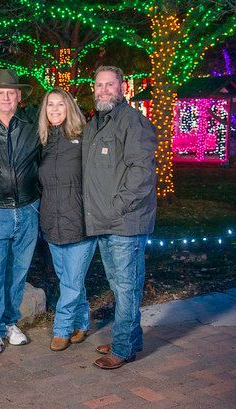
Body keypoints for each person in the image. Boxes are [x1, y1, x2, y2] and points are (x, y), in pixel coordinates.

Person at [82, 66, 157, 369]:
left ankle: (123, 347)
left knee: (126, 285)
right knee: (119, 283)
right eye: (99, 85)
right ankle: (131, 338)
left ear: (123, 88)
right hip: (104, 219)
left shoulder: (133, 123)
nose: (104, 90)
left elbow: (142, 173)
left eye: (110, 85)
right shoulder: (96, 124)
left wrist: (117, 206)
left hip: (125, 220)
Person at [0, 69, 41, 354]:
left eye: (11, 93)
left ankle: (9, 322)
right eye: (0, 92)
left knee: (18, 272)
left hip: (28, 209)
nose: (6, 97)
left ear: (18, 97)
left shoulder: (31, 125)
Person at [37, 88, 95, 351]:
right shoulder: (43, 142)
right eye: (51, 105)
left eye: (61, 104)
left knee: (71, 281)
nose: (56, 109)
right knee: (70, 280)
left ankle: (61, 329)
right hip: (52, 223)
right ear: (45, 110)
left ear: (69, 107)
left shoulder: (84, 138)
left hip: (81, 223)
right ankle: (82, 323)